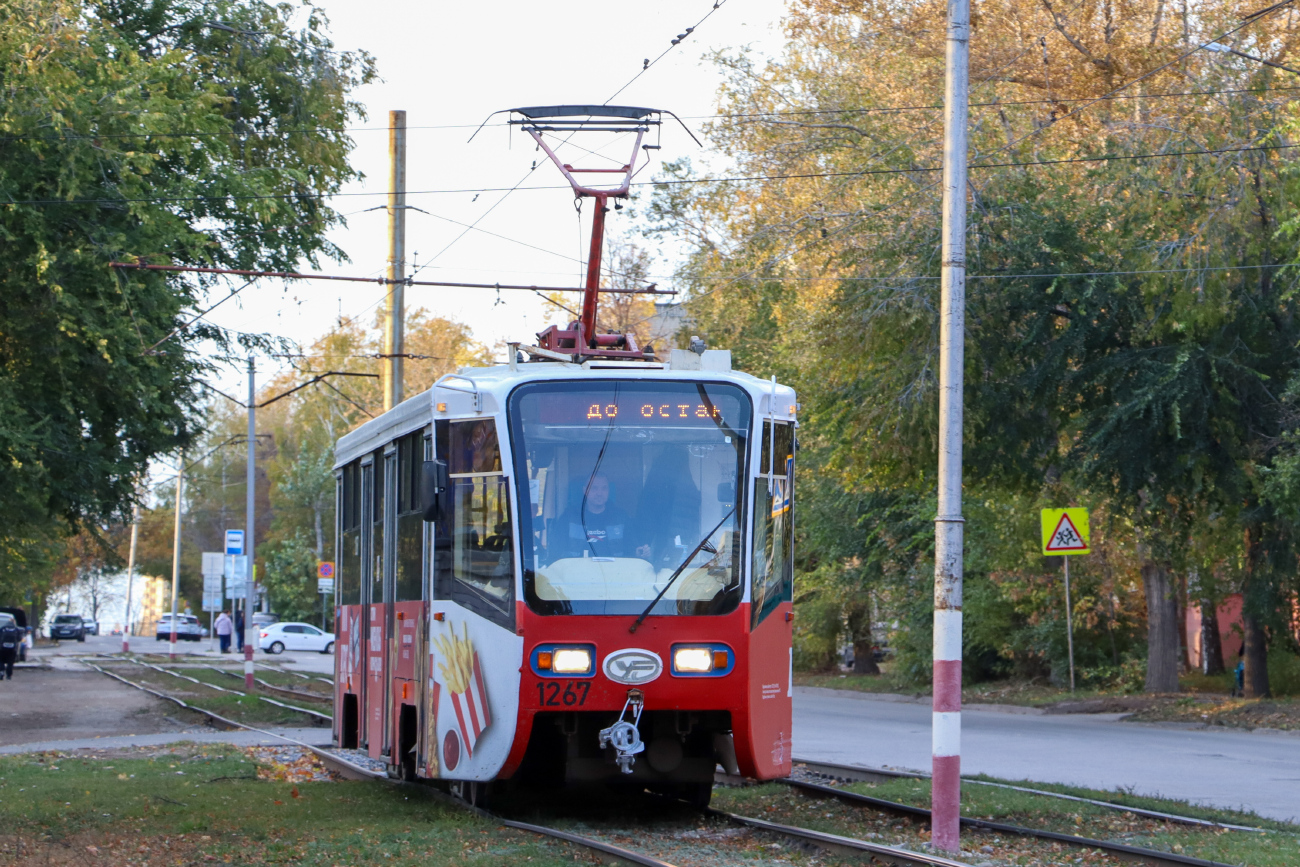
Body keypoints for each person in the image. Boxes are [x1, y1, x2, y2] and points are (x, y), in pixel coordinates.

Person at [549, 472, 633, 560]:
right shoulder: (569, 517)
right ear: (585, 490)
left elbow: (632, 550)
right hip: (577, 572)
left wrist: (640, 552)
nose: (599, 493)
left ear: (608, 491)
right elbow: (555, 551)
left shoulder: (621, 517)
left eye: (604, 488)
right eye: (594, 488)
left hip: (615, 572)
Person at [0, 615, 21, 680]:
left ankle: (1, 672)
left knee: (1, 661)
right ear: (14, 622)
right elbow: (19, 639)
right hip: (12, 649)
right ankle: (9, 676)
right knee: (10, 662)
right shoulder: (16, 629)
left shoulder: (3, 628)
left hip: (2, 648)